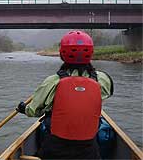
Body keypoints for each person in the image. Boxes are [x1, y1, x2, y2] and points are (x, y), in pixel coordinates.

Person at [16, 30, 113, 159]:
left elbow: (34, 111)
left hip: (56, 147)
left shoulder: (52, 81)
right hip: (88, 148)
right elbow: (105, 95)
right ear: (91, 53)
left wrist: (23, 109)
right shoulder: (103, 79)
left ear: (62, 54)